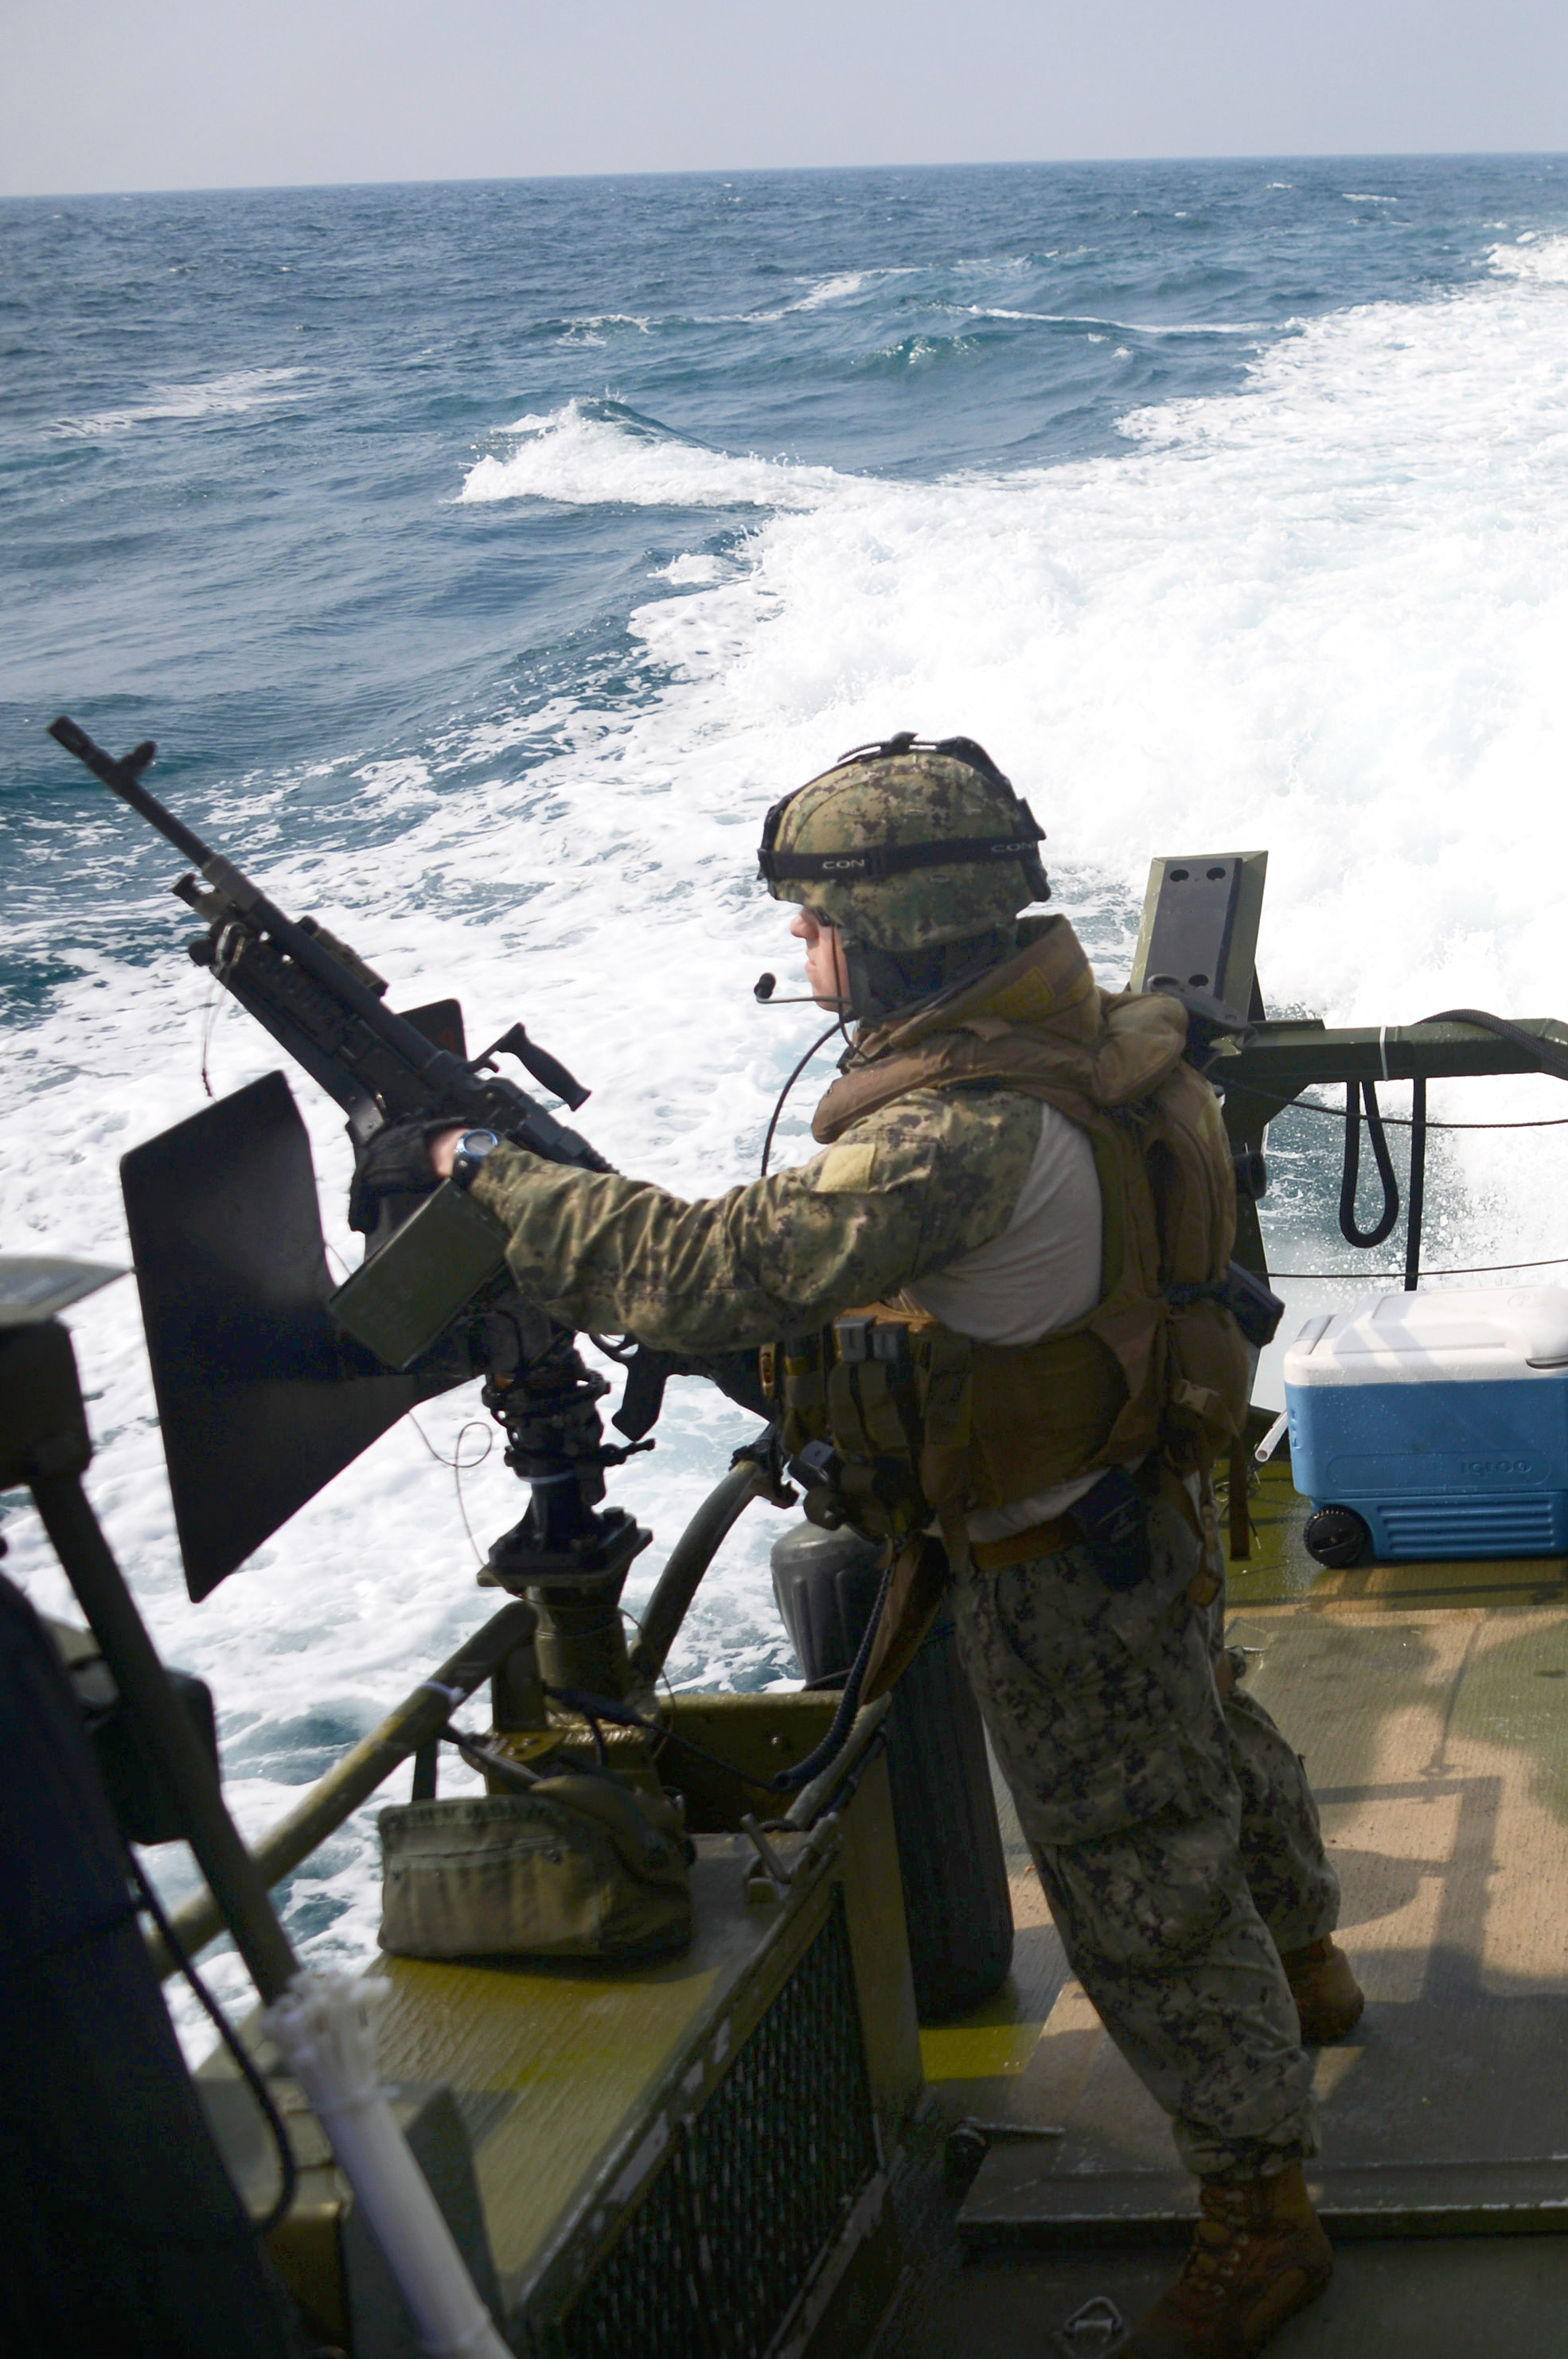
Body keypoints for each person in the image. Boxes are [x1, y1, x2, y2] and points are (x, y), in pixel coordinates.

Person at [390, 734, 1357, 2357]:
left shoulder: (960, 1135)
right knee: (1213, 1743)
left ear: (898, 934)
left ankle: (1263, 2214)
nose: (800, 946)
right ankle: (1313, 1972)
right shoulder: (1106, 1042)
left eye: (817, 916)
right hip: (1140, 1501)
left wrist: (485, 1173)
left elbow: (704, 1276)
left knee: (1139, 1885)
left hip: (1051, 1557)